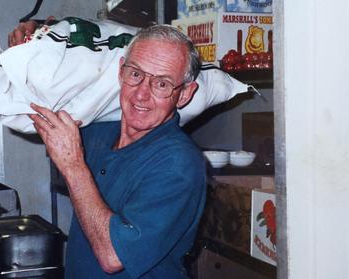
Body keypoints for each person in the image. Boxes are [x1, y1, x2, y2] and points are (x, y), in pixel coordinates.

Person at [11, 21, 207, 278]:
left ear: (184, 95)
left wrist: (73, 166)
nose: (141, 95)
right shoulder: (98, 132)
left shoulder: (178, 163)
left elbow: (113, 256)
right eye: (136, 74)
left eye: (161, 84)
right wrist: (38, 37)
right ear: (120, 71)